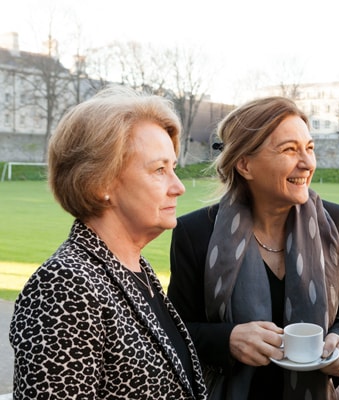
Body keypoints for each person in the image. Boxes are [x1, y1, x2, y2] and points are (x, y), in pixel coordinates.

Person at [9, 86, 207, 399]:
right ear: (101, 182)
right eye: (159, 170)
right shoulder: (65, 285)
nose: (178, 187)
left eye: (174, 168)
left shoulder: (135, 268)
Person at [167, 96, 339, 399]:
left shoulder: (336, 222)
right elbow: (174, 333)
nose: (308, 163)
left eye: (309, 148)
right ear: (245, 165)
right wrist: (226, 339)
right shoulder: (195, 232)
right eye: (289, 149)